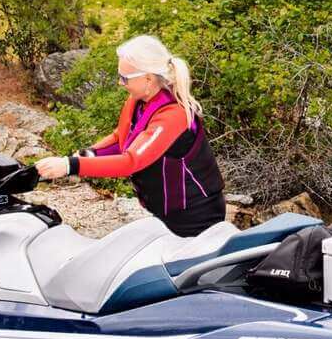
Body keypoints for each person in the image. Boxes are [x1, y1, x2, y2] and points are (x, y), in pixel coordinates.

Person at [36, 35, 228, 237]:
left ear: (148, 78)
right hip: (164, 212)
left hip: (194, 217)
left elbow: (131, 161)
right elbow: (121, 138)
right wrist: (88, 154)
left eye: (125, 78)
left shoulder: (173, 116)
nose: (120, 83)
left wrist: (70, 166)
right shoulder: (138, 101)